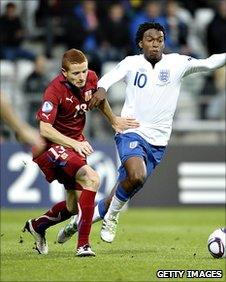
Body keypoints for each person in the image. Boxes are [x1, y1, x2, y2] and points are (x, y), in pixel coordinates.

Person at [57, 22, 226, 245]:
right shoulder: (131, 63)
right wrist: (102, 88)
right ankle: (112, 218)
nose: (155, 44)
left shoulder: (177, 63)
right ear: (140, 43)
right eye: (150, 40)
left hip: (159, 142)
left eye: (159, 40)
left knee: (118, 194)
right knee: (137, 175)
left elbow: (209, 63)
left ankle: (76, 224)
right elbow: (109, 76)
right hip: (131, 131)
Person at [22, 48, 139, 257]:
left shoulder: (91, 78)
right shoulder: (54, 90)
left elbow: (99, 100)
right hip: (50, 147)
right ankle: (83, 245)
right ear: (64, 72)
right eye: (76, 73)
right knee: (92, 179)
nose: (82, 77)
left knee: (74, 207)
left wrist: (114, 120)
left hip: (73, 145)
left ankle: (38, 225)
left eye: (84, 71)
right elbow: (45, 129)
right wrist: (73, 144)